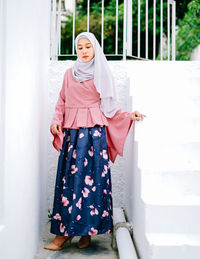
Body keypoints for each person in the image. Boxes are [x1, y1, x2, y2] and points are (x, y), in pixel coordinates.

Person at [44, 32, 145, 251]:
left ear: (95, 49)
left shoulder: (101, 74)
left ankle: (87, 234)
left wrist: (129, 115)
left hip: (93, 138)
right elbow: (61, 101)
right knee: (69, 183)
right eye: (79, 47)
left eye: (87, 46)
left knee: (91, 186)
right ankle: (63, 235)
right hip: (72, 137)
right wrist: (55, 120)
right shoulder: (69, 74)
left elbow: (109, 109)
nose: (83, 50)